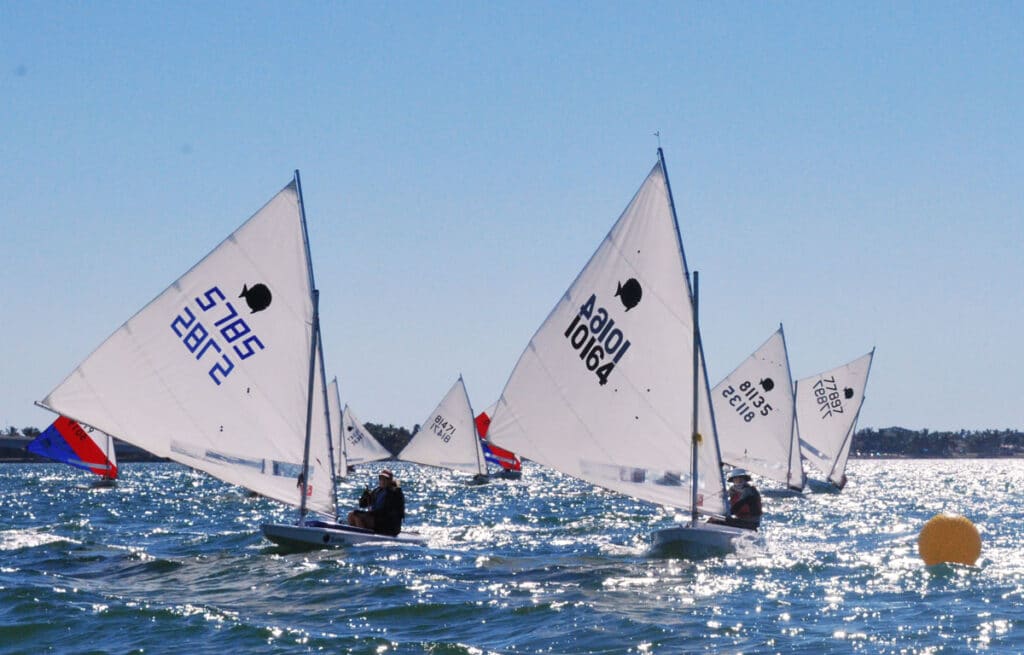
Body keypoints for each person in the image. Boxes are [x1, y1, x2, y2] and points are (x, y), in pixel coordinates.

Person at [347, 469, 405, 536]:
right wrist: (365, 496)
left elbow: (386, 511)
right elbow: (362, 505)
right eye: (381, 478)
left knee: (357, 516)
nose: (382, 481)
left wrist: (369, 514)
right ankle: (357, 534)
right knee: (351, 515)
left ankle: (363, 536)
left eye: (385, 479)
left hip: (389, 525)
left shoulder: (395, 493)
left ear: (390, 480)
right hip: (377, 520)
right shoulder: (377, 491)